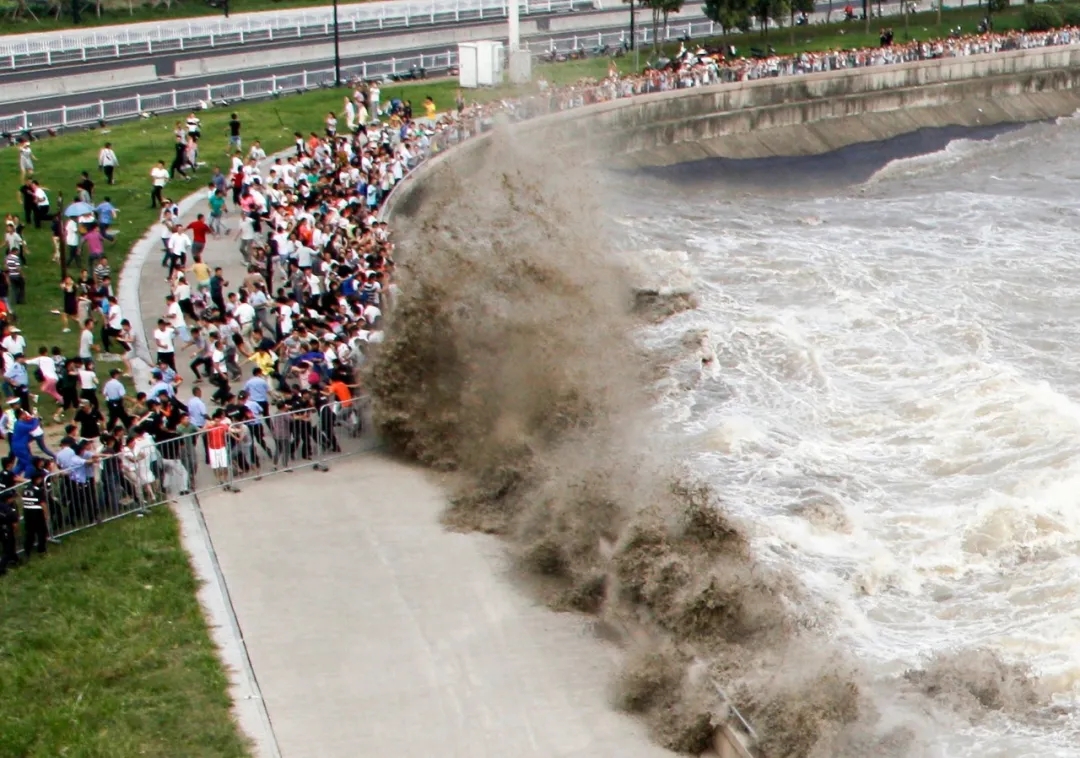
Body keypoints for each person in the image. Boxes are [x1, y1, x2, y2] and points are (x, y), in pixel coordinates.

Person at [20, 468, 48, 558]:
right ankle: (41, 550)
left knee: (30, 532)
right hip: (37, 512)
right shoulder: (38, 490)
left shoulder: (25, 489)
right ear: (37, 479)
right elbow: (43, 503)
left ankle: (27, 551)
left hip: (27, 511)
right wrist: (46, 514)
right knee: (41, 531)